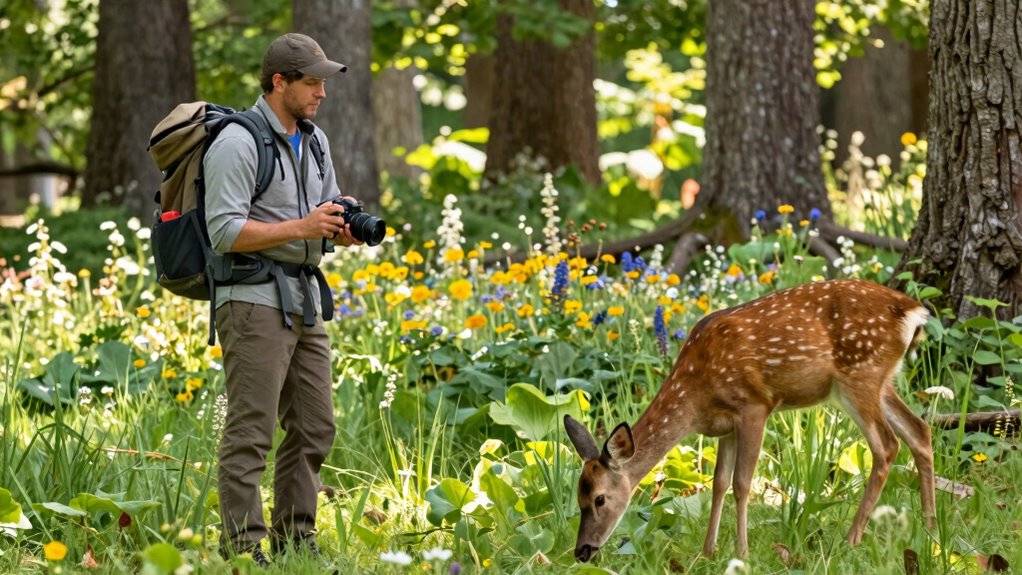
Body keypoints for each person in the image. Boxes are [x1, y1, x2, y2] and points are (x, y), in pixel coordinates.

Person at [204, 33, 362, 566]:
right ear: (279, 82)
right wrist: (303, 225)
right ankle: (244, 549)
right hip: (251, 297)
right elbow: (223, 230)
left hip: (303, 295)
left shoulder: (314, 141)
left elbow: (322, 215)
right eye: (312, 82)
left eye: (323, 81)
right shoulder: (237, 140)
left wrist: (339, 230)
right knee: (252, 429)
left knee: (316, 424)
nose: (322, 92)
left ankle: (296, 538)